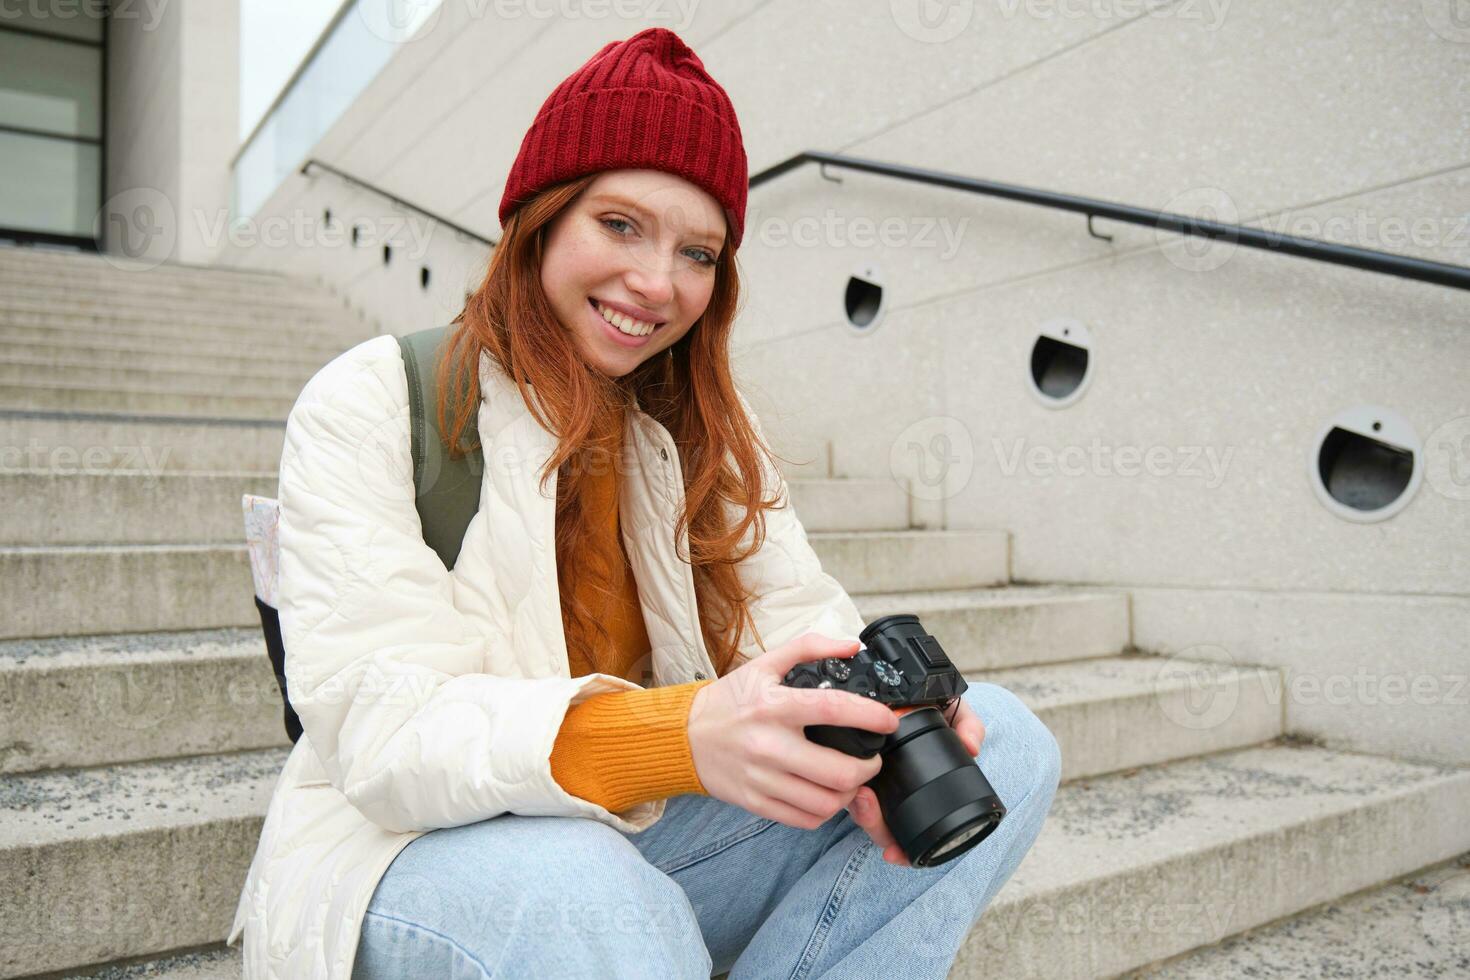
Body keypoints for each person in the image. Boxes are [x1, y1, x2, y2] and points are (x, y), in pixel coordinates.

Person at [227, 27, 1060, 980]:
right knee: (589, 892)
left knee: (1008, 748)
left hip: (637, 836)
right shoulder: (376, 398)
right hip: (408, 854)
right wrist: (679, 736)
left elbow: (802, 622)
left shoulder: (701, 428)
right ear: (539, 220)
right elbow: (383, 733)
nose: (658, 285)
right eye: (619, 225)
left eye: (698, 253)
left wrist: (875, 737)